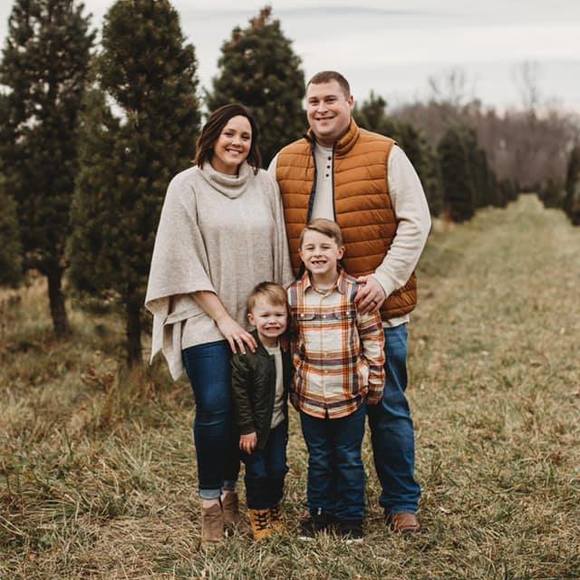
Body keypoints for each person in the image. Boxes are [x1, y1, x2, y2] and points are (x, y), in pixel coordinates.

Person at [270, 71, 431, 533]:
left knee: (388, 406)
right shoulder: (284, 160)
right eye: (314, 101)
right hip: (315, 317)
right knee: (321, 418)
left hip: (378, 310)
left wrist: (385, 279)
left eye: (331, 100)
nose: (321, 109)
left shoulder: (385, 153)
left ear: (350, 102)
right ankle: (330, 505)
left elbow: (416, 221)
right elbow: (272, 231)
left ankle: (401, 503)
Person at [146, 104, 293, 545]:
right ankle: (210, 504)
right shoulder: (185, 186)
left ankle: (232, 492)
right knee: (216, 404)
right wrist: (224, 319)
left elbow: (280, 248)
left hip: (257, 319)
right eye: (229, 133)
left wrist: (276, 316)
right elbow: (182, 259)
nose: (237, 142)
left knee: (253, 407)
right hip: (206, 315)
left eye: (245, 136)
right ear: (211, 136)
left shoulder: (265, 184)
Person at [288, 219, 385, 541]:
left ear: (340, 252)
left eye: (325, 247)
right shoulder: (293, 296)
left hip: (349, 394)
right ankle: (319, 513)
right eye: (310, 248)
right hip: (311, 395)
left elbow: (373, 339)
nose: (317, 253)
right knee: (318, 458)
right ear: (301, 254)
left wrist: (374, 382)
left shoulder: (356, 292)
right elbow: (291, 344)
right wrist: (295, 381)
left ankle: (350, 517)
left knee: (347, 457)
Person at [231, 282, 292, 541]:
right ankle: (259, 513)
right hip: (253, 429)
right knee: (257, 472)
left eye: (279, 315)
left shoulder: (286, 348)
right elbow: (240, 395)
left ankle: (274, 507)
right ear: (252, 318)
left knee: (277, 468)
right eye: (265, 315)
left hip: (277, 423)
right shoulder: (247, 352)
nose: (272, 321)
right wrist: (246, 428)